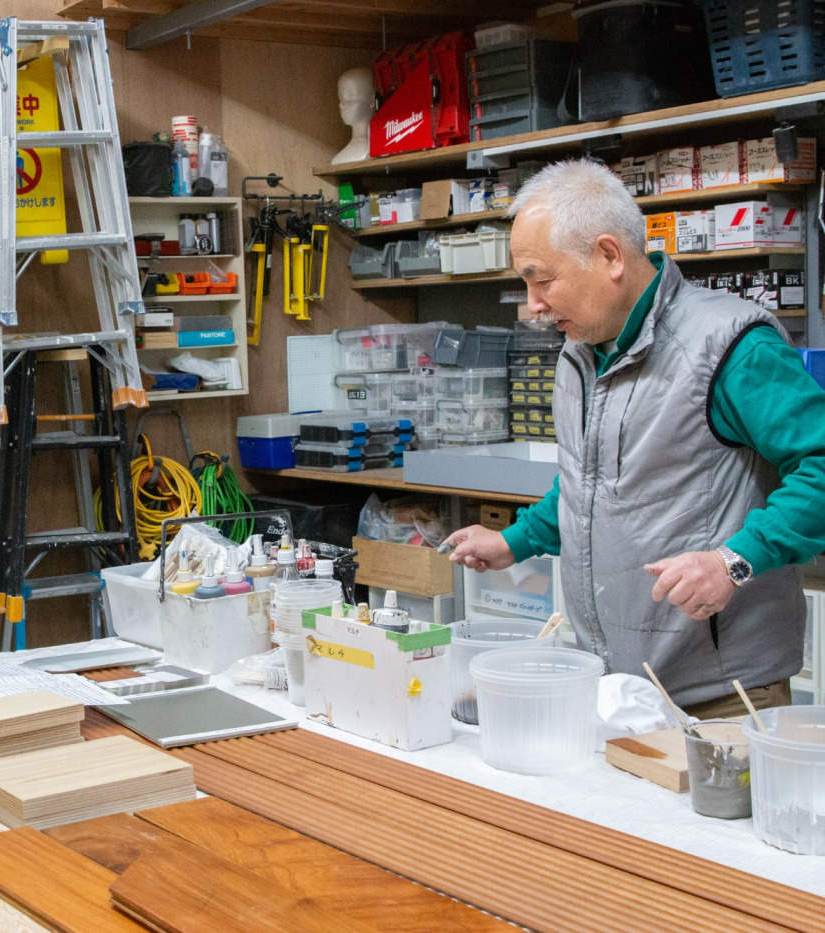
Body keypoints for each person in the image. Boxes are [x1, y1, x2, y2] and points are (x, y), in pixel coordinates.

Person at [446, 158, 825, 718]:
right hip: (616, 690)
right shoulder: (581, 354)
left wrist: (734, 562)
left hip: (722, 699)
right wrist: (515, 543)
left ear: (609, 256)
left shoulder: (728, 347)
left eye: (541, 278)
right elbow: (590, 485)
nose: (532, 304)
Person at [332, 67, 375, 164]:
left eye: (351, 98)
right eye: (341, 98)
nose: (342, 105)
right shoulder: (340, 157)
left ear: (372, 99)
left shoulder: (371, 150)